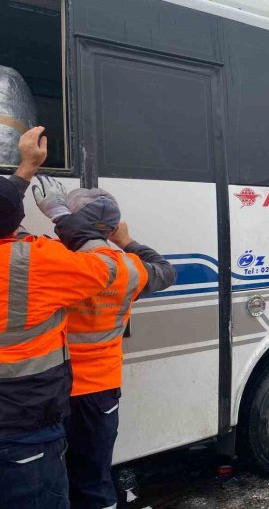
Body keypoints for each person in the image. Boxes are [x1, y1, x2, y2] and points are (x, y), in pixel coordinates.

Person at [0, 127, 116, 509]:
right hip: (24, 427)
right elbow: (104, 266)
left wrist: (23, 175)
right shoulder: (35, 261)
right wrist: (60, 212)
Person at [50, 187, 176, 509]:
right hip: (102, 391)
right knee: (94, 476)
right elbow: (165, 270)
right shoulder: (129, 268)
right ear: (111, 228)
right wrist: (126, 241)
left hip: (55, 388)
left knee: (53, 478)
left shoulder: (56, 261)